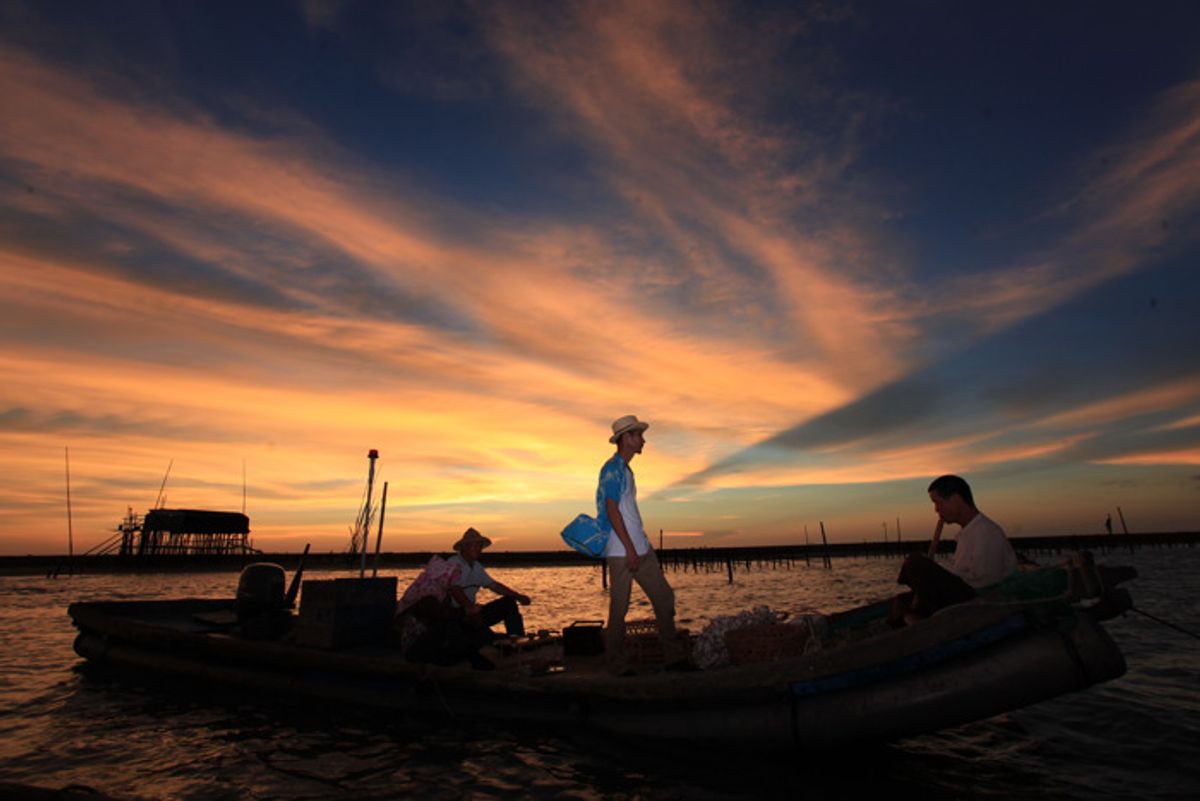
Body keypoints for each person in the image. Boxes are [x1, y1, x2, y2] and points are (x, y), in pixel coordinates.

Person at [597, 414, 689, 672]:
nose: (643, 440)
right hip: (622, 551)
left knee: (664, 598)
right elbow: (612, 509)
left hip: (639, 548)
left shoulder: (625, 469)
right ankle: (615, 664)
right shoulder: (612, 468)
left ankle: (673, 658)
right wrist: (629, 549)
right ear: (625, 439)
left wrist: (643, 543)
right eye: (638, 435)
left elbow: (627, 510)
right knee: (620, 608)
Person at [890, 474, 1018, 626]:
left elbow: (986, 584)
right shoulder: (967, 533)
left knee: (915, 561)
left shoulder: (986, 532)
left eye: (937, 503)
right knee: (902, 600)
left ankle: (919, 623)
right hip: (968, 593)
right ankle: (914, 621)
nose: (936, 510)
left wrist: (936, 580)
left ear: (955, 500)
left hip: (979, 602)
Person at [446, 527, 531, 641]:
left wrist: (518, 596)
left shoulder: (477, 567)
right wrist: (471, 609)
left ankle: (517, 639)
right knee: (484, 632)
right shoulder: (454, 563)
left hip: (472, 612)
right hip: (456, 614)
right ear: (464, 547)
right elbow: (455, 589)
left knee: (509, 602)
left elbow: (494, 586)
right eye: (473, 546)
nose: (478, 549)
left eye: (479, 546)